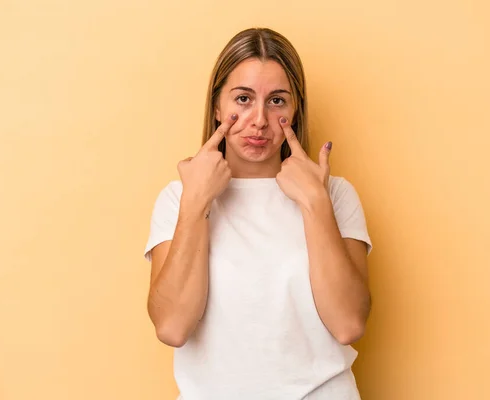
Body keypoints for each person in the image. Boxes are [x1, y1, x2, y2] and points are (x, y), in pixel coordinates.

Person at [144, 27, 373, 400]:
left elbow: (348, 324)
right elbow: (172, 327)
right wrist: (196, 203)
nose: (259, 120)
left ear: (295, 109)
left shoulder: (335, 194)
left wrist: (315, 202)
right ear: (217, 106)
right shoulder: (177, 199)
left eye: (277, 101)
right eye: (243, 98)